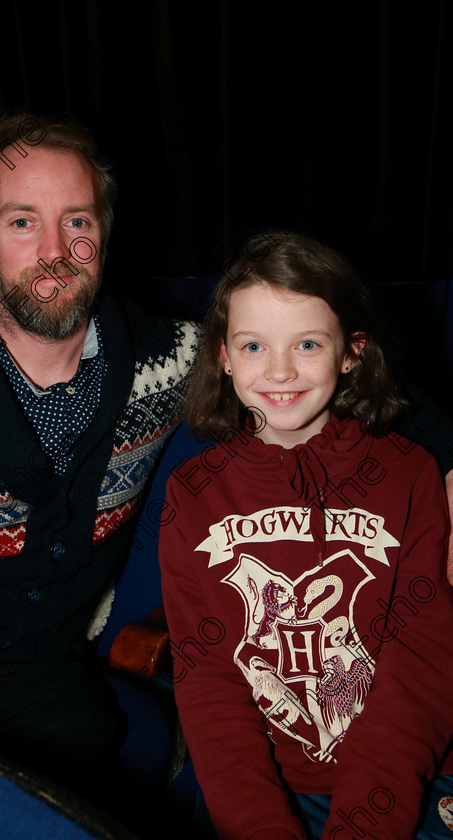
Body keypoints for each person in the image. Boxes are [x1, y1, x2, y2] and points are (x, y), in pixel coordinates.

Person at [0, 112, 198, 803]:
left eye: (78, 222)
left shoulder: (167, 363)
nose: (56, 250)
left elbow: (311, 356)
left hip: (47, 677)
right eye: (23, 222)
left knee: (78, 731)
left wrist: (445, 458)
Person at [159, 231, 453, 840]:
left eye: (309, 343)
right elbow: (208, 680)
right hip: (267, 789)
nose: (281, 371)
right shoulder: (193, 494)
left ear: (352, 351)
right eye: (254, 346)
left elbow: (421, 668)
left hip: (405, 784)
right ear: (223, 354)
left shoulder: (408, 473)